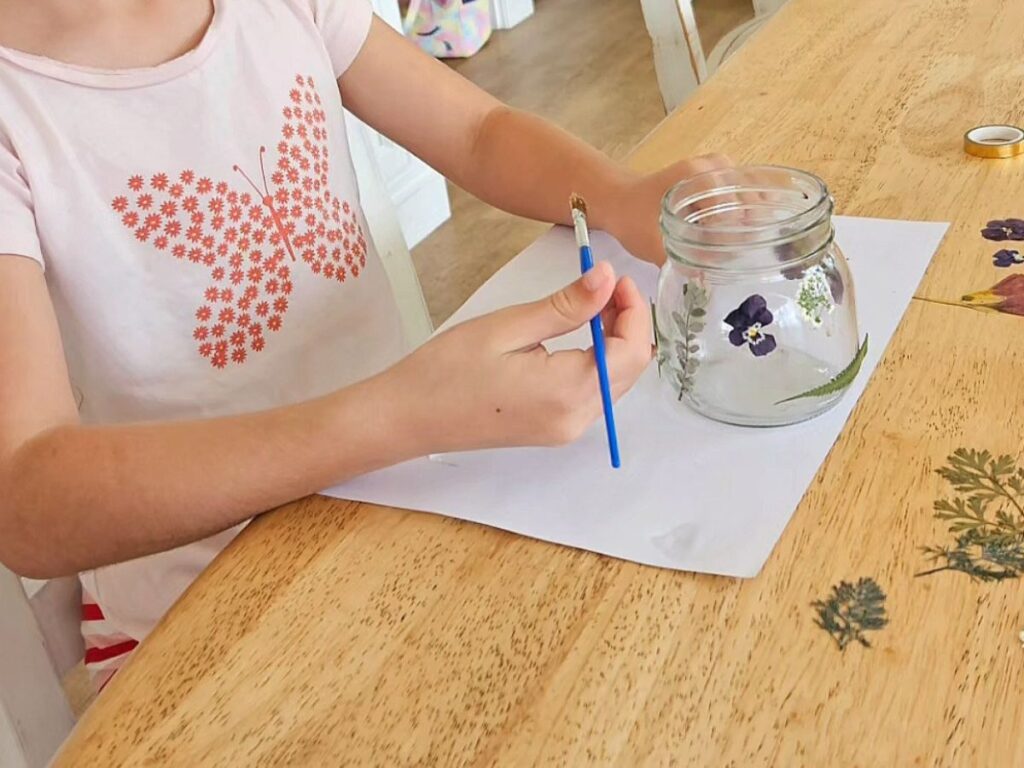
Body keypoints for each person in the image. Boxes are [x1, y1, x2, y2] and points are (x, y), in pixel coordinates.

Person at [0, 0, 729, 686]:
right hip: (190, 617)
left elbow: (478, 132)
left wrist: (620, 195)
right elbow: (26, 498)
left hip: (405, 504)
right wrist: (402, 416)